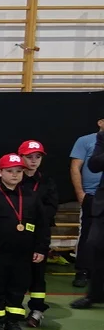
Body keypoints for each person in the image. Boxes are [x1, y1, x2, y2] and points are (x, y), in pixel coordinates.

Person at [0, 153, 50, 330]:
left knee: (18, 286)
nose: (15, 175)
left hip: (24, 253)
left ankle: (12, 320)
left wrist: (41, 248)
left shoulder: (31, 196)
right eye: (10, 171)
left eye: (18, 171)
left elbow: (42, 225)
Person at [18, 140, 58, 327]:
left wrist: (34, 217)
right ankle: (14, 308)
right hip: (16, 233)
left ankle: (37, 310)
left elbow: (51, 207)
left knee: (38, 272)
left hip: (38, 233)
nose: (33, 161)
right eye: (29, 157)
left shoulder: (47, 182)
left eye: (38, 157)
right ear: (20, 157)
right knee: (16, 272)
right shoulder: (14, 178)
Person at [69, 116, 103, 289]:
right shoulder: (85, 141)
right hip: (92, 195)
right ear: (100, 122)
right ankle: (82, 271)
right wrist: (80, 193)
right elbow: (75, 167)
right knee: (88, 235)